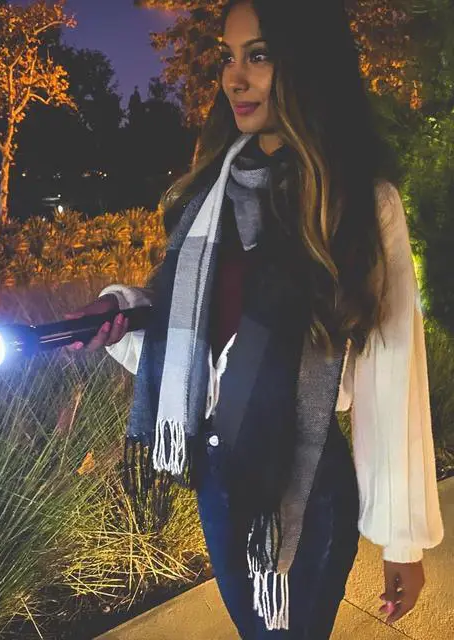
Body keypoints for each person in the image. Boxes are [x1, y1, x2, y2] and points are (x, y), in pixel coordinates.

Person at [65, 0, 444, 637]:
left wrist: (401, 540)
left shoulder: (358, 205)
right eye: (228, 56)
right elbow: (189, 332)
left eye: (258, 55)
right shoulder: (211, 195)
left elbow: (393, 372)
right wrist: (120, 313)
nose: (233, 78)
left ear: (306, 64)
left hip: (304, 489)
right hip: (218, 482)